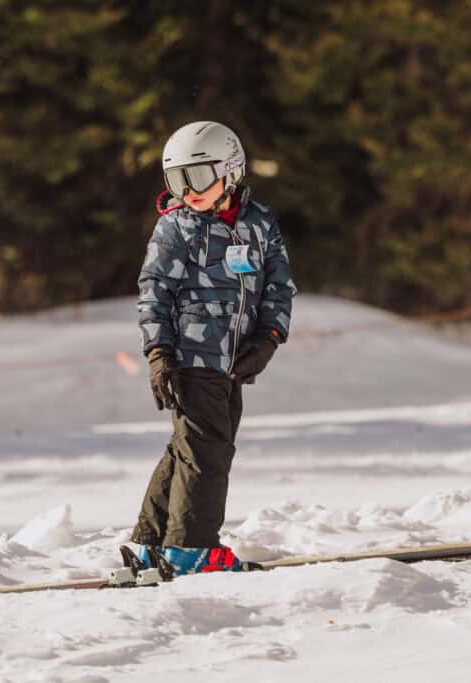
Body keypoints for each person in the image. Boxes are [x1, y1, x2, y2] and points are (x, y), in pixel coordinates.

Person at [130, 121, 297, 574]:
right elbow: (154, 292)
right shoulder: (176, 229)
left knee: (191, 446)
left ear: (232, 170)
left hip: (234, 362)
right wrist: (159, 353)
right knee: (209, 450)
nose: (189, 191)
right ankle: (192, 548)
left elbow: (279, 288)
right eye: (177, 180)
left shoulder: (259, 224)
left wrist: (269, 338)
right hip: (191, 356)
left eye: (198, 177)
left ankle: (152, 543)